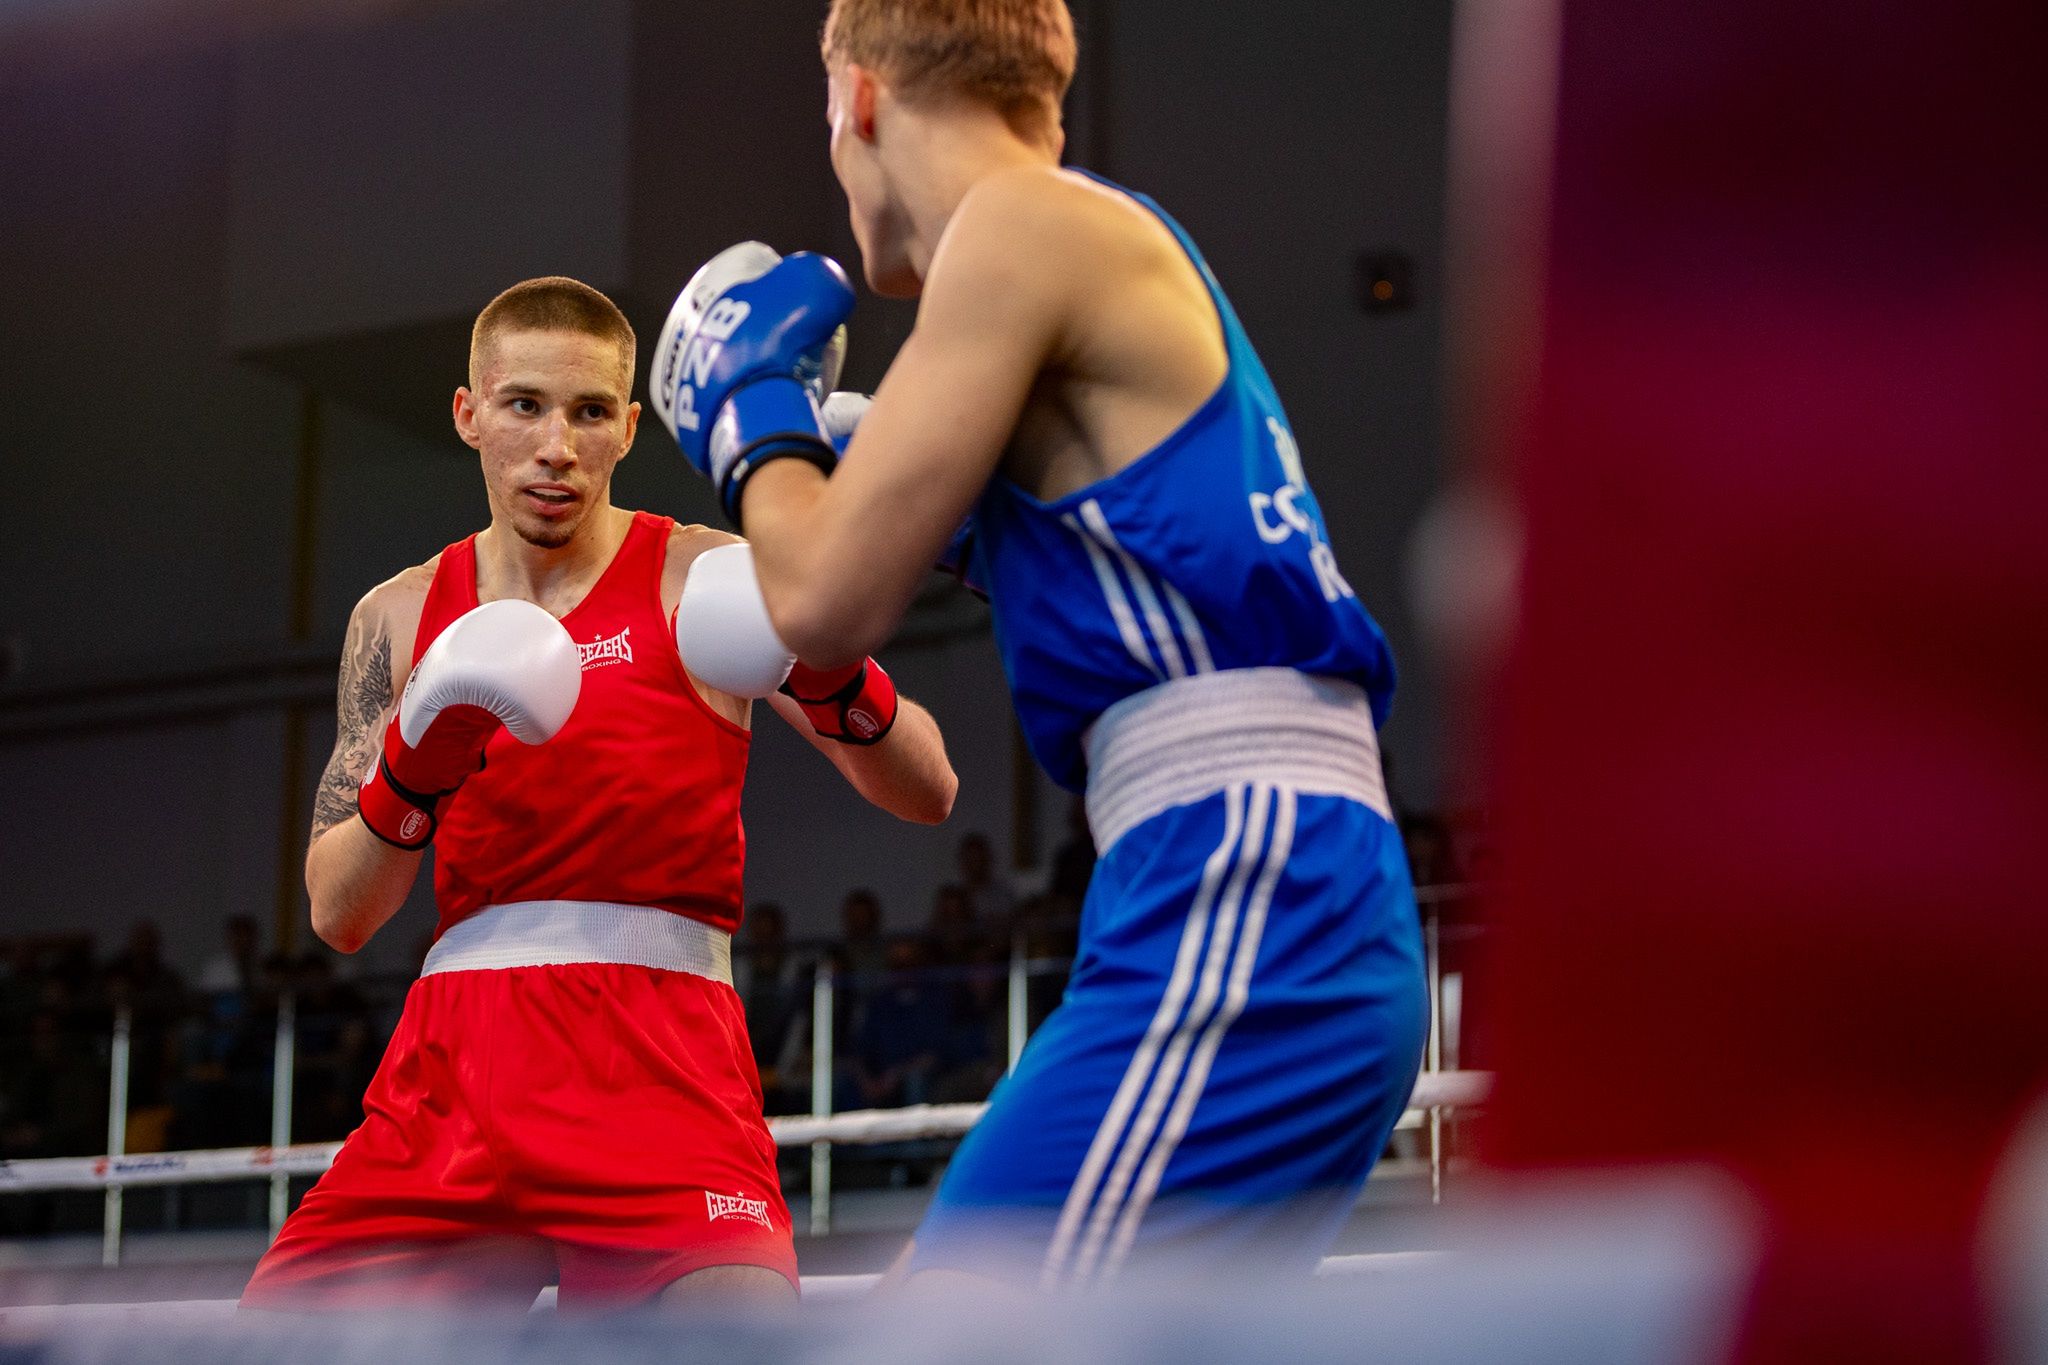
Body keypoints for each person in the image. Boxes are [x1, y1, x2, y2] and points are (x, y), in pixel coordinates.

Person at [648, 0, 1425, 1288]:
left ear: (857, 98)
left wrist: (749, 414)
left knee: (966, 1324)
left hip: (1250, 892)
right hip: (1253, 881)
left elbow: (823, 603)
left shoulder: (1018, 227)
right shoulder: (1083, 239)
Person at [239, 276, 957, 1313]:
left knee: (741, 1343)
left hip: (662, 1068)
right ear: (469, 413)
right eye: (524, 406)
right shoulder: (397, 616)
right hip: (453, 1078)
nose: (555, 447)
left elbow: (927, 787)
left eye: (586, 414)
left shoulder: (702, 578)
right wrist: (415, 766)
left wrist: (819, 667)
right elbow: (339, 913)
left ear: (626, 427)